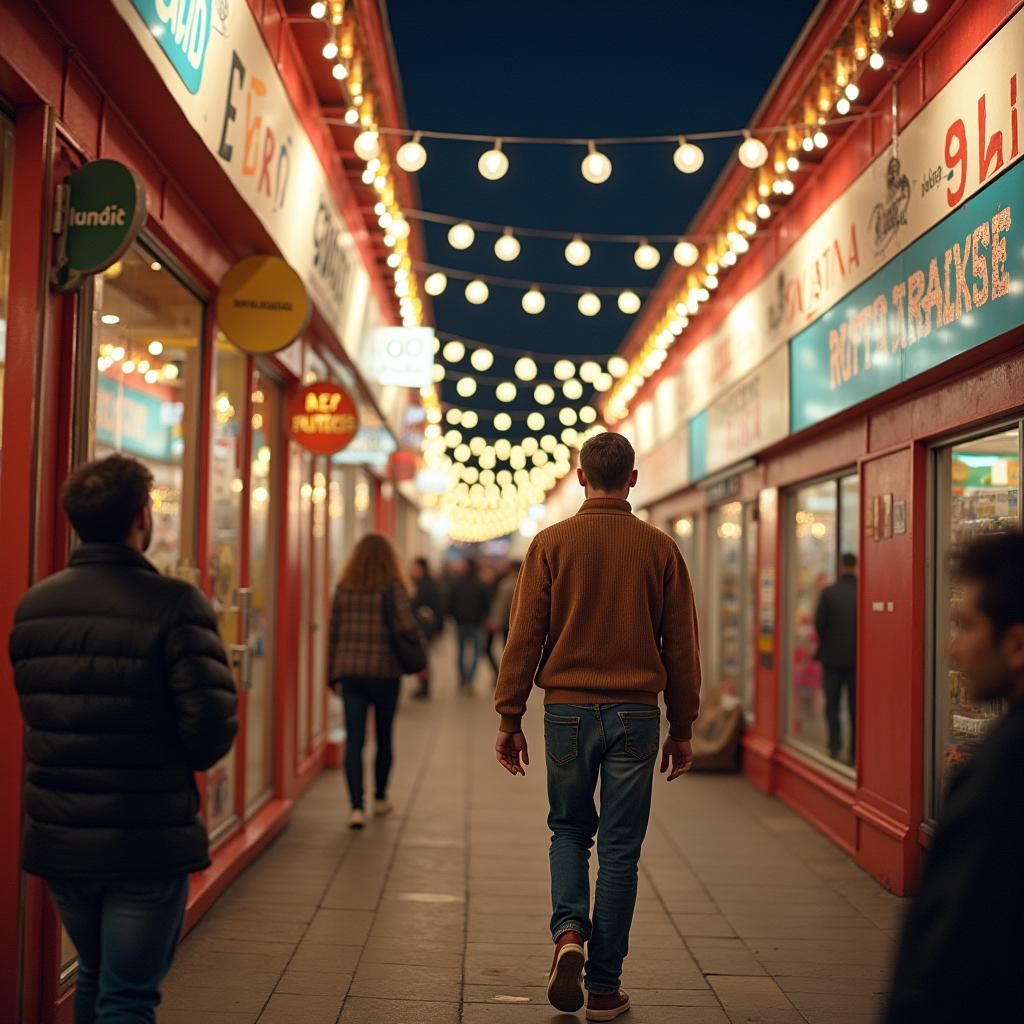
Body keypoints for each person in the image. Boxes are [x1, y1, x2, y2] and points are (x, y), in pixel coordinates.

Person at [8, 454, 238, 1024]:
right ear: (143, 517)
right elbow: (208, 729)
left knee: (93, 971)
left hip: (60, 832)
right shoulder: (174, 604)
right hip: (145, 834)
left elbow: (41, 714)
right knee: (129, 995)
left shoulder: (34, 606)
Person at [494, 432, 701, 1021]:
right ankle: (605, 990)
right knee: (619, 850)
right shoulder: (660, 549)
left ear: (581, 477)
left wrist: (510, 716)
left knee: (567, 830)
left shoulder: (550, 545)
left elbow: (524, 637)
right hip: (637, 713)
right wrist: (682, 725)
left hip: (565, 711)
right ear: (633, 479)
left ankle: (568, 936)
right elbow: (681, 646)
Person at [885, 530, 1024, 1023]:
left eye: (966, 626)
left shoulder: (1002, 776)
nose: (953, 649)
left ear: (1015, 643)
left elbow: (951, 956)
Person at [328, 533, 421, 829]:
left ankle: (355, 807)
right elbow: (407, 627)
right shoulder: (392, 588)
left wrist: (332, 673)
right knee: (383, 737)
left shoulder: (344, 588)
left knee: (354, 741)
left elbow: (334, 633)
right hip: (384, 673)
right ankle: (380, 798)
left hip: (351, 673)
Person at [814, 552, 857, 762]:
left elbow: (819, 624)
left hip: (831, 658)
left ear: (840, 566)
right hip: (856, 659)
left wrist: (828, 642)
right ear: (856, 566)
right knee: (854, 706)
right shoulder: (863, 591)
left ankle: (834, 745)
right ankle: (854, 751)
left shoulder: (829, 593)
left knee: (832, 704)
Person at [447, 557, 491, 689]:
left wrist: (453, 616)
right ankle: (469, 679)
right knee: (476, 653)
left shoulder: (457, 582)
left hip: (461, 622)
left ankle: (462, 679)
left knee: (461, 652)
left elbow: (450, 601)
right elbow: (486, 603)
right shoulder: (480, 583)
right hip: (476, 623)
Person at [410, 557, 444, 699]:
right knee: (423, 656)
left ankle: (424, 687)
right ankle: (423, 686)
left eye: (416, 568)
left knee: (423, 657)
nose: (413, 571)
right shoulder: (422, 584)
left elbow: (435, 608)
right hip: (424, 627)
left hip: (424, 628)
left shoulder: (425, 587)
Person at [486, 561, 521, 679]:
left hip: (506, 623)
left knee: (503, 650)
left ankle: (503, 675)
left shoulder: (507, 584)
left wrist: (495, 622)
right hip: (515, 623)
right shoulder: (522, 583)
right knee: (509, 651)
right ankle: (506, 675)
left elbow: (501, 606)